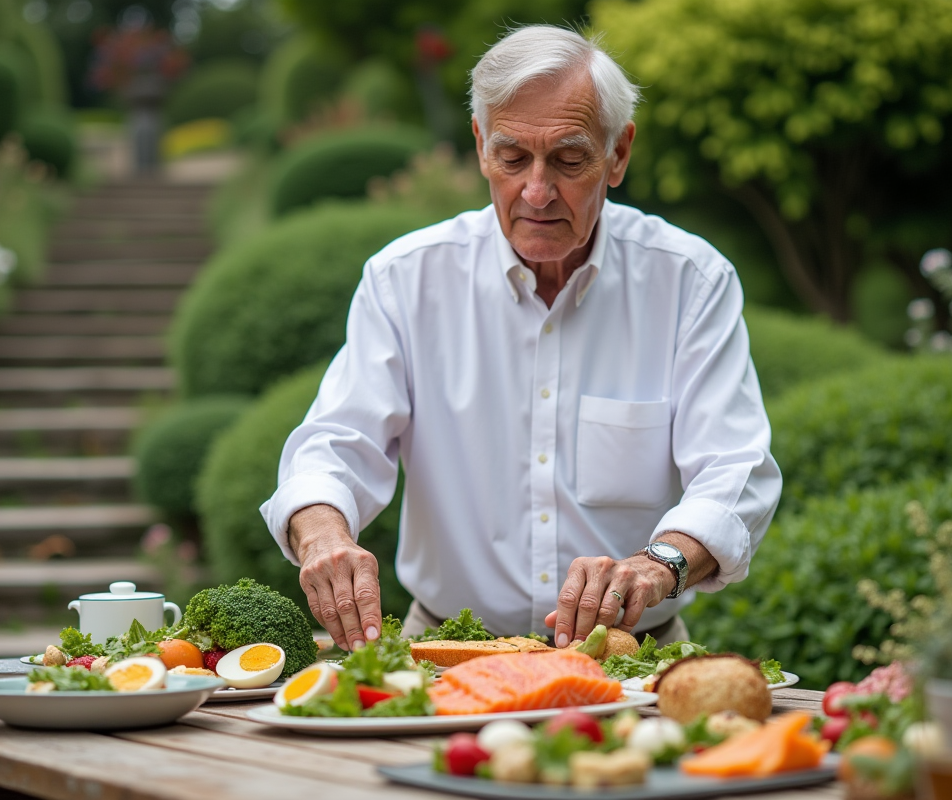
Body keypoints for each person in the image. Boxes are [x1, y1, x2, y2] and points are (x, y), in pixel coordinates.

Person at [261, 25, 782, 652]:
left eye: (568, 159)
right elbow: (337, 442)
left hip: (626, 647)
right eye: (513, 159)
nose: (536, 192)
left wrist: (657, 565)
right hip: (448, 646)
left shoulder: (689, 281)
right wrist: (324, 536)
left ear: (618, 154)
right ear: (481, 147)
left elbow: (736, 468)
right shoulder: (406, 279)